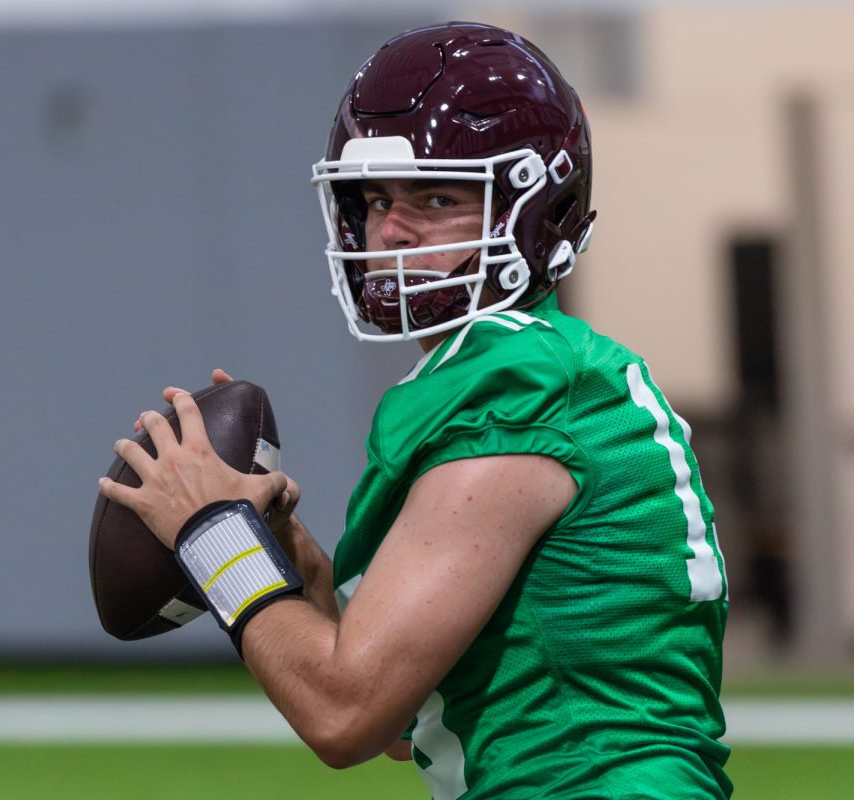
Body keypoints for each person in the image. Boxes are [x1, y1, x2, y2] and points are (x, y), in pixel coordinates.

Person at [99, 21, 730, 800]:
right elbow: (405, 722)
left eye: (435, 198)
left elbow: (346, 714)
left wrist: (212, 534)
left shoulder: (518, 389)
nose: (391, 229)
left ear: (533, 212)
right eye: (374, 200)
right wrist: (287, 551)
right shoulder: (533, 370)